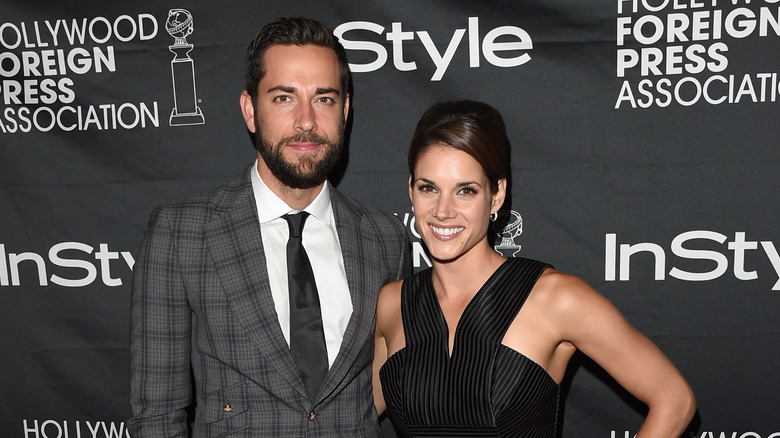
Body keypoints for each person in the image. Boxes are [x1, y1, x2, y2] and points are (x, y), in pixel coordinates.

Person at [129, 17, 411, 437]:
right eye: (283, 98)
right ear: (250, 110)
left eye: (325, 100)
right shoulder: (181, 233)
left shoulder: (384, 238)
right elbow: (156, 416)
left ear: (345, 110)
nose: (306, 121)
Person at [373, 100, 696, 437]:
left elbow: (674, 399)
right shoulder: (391, 305)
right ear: (411, 189)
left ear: (497, 195)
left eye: (465, 191)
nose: (443, 210)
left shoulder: (556, 298)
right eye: (429, 188)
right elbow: (349, 416)